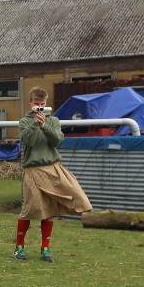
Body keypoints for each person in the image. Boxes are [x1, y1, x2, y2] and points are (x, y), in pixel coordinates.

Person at [15, 87, 92, 262]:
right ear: (30, 103)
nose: (39, 107)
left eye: (42, 104)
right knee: (30, 209)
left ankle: (45, 248)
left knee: (52, 209)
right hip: (33, 170)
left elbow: (57, 141)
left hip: (53, 168)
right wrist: (36, 124)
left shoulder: (54, 121)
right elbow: (29, 141)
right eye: (36, 104)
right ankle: (19, 246)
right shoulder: (24, 122)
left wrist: (44, 126)